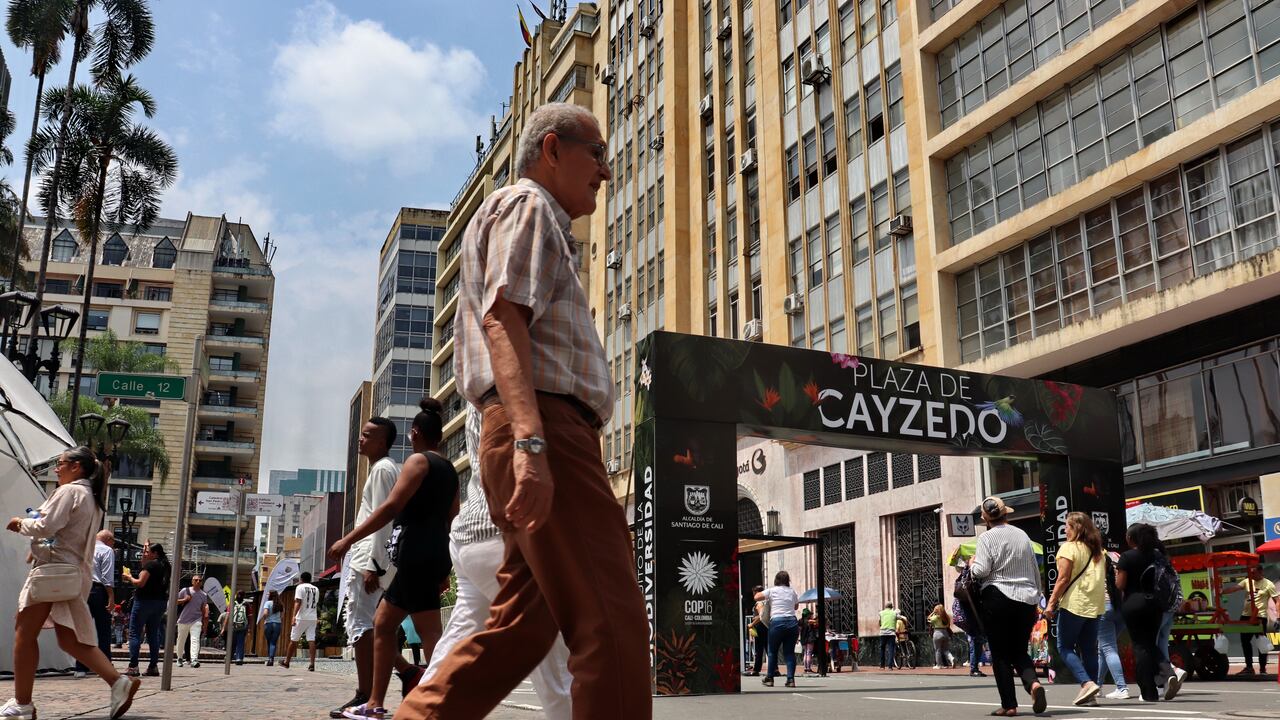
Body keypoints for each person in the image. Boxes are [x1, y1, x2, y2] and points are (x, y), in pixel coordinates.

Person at [398, 102, 649, 720]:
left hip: (532, 426)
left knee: (520, 630)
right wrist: (534, 443)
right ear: (552, 150)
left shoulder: (532, 215)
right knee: (611, 622)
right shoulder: (528, 204)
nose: (606, 171)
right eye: (596, 152)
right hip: (547, 427)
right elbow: (502, 317)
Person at [420, 404, 573, 720]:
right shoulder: (515, 371)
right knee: (557, 667)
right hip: (507, 531)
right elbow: (526, 439)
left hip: (473, 532)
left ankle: (418, 714)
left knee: (452, 651)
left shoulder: (481, 380)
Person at [328, 398, 459, 720]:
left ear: (415, 433)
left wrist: (348, 539)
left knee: (383, 626)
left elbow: (389, 507)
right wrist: (447, 565)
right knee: (430, 632)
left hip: (413, 553)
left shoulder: (418, 463)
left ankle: (374, 705)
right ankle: (436, 700)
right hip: (435, 553)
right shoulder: (450, 469)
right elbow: (452, 517)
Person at [3, 446, 141, 720]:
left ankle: (22, 703)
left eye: (61, 463)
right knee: (70, 638)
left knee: (24, 633)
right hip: (73, 573)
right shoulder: (90, 497)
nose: (56, 468)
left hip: (52, 572)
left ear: (76, 467)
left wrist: (19, 523)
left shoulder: (69, 492)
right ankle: (117, 681)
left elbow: (46, 525)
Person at [332, 417, 401, 717]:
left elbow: (385, 517)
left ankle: (366, 694)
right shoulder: (381, 469)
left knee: (361, 626)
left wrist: (374, 565)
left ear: (383, 442)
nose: (361, 439)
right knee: (369, 627)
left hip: (368, 561)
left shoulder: (384, 469)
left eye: (368, 435)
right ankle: (395, 678)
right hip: (368, 559)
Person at [970, 496, 1047, 717]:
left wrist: (972, 564)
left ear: (986, 518)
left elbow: (981, 571)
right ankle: (1033, 684)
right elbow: (1033, 568)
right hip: (1026, 599)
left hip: (998, 597)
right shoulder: (1022, 534)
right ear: (1006, 514)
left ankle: (1009, 705)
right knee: (1019, 650)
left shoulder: (986, 538)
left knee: (1001, 653)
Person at [1044, 512, 1106, 706]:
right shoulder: (1098, 551)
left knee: (1064, 647)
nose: (1065, 529)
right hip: (1095, 605)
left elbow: (1062, 578)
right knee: (1089, 649)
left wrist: (1051, 603)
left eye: (1067, 526)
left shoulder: (1068, 548)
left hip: (1074, 604)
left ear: (1076, 529)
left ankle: (1086, 683)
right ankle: (1092, 693)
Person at [1116, 523, 1183, 702]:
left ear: (1130, 539)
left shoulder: (1127, 557)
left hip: (1134, 604)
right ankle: (1167, 672)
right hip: (1156, 605)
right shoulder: (1157, 554)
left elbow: (1120, 585)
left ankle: (1149, 692)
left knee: (1141, 647)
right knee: (1150, 644)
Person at [122, 541, 169, 677]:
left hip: (144, 601)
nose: (145, 554)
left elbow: (140, 583)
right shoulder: (165, 565)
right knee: (153, 634)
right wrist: (145, 548)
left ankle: (133, 666)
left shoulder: (151, 565)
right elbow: (145, 565)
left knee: (135, 633)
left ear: (154, 553)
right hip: (160, 602)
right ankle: (153, 666)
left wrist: (129, 577)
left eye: (147, 552)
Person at [74, 529, 116, 679]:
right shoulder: (107, 550)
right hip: (99, 591)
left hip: (82, 590)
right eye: (113, 541)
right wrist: (111, 596)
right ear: (108, 539)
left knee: (83, 630)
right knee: (103, 630)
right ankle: (104, 666)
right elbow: (107, 576)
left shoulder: (84, 547)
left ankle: (80, 666)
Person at [1224, 565, 1277, 675]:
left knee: (1261, 642)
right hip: (1246, 615)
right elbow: (1234, 588)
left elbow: (1277, 600)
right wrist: (1222, 591)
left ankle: (1263, 668)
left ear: (1261, 572)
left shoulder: (1268, 584)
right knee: (1245, 641)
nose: (1251, 575)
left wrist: (1278, 616)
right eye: (1250, 573)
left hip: (1260, 616)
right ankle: (1249, 667)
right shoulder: (1247, 581)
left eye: (1254, 573)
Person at [755, 571, 800, 688]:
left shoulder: (772, 590)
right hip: (792, 623)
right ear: (787, 580)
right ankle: (790, 679)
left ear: (776, 580)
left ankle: (770, 678)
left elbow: (757, 597)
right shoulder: (792, 592)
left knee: (772, 651)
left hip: (777, 622)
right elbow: (796, 606)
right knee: (789, 652)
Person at [1097, 551, 1131, 699]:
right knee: (1103, 649)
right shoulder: (1116, 555)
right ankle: (1096, 686)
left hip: (1104, 605)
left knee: (1108, 648)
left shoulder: (1094, 557)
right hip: (1121, 606)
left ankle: (1121, 688)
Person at [281, 572, 320, 671]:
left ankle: (287, 662)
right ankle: (312, 664)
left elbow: (298, 602)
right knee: (311, 640)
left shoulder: (300, 587)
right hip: (312, 617)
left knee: (294, 639)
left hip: (301, 617)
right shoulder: (316, 589)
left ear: (301, 579)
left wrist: (293, 616)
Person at [174, 575, 209, 668]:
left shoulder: (204, 595)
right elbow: (174, 601)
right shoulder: (185, 590)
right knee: (181, 640)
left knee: (195, 639)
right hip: (183, 619)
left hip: (196, 620)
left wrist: (203, 622)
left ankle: (194, 659)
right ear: (192, 581)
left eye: (200, 580)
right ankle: (179, 658)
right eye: (196, 580)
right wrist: (184, 599)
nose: (198, 581)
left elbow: (203, 608)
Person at [745, 585, 769, 677]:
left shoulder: (759, 603)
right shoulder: (765, 602)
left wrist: (752, 624)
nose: (753, 595)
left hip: (760, 627)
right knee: (767, 648)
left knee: (759, 649)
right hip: (765, 627)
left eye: (754, 593)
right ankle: (774, 669)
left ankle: (756, 670)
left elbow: (761, 616)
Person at [222, 591, 249, 665]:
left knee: (231, 642)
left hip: (232, 626)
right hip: (243, 626)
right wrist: (248, 627)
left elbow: (227, 616)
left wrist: (224, 627)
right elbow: (249, 617)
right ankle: (239, 658)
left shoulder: (232, 604)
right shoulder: (246, 604)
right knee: (240, 642)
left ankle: (229, 657)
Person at [259, 590, 283, 666]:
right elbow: (282, 615)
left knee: (269, 642)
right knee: (273, 642)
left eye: (268, 594)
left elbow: (265, 613)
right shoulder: (280, 604)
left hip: (269, 624)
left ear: (271, 595)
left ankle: (270, 658)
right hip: (277, 624)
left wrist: (266, 618)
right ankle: (271, 658)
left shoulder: (268, 603)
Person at [928, 604, 955, 669]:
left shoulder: (936, 617)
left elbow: (928, 618)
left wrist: (933, 612)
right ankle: (951, 658)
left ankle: (939, 665)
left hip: (937, 632)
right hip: (945, 633)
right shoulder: (947, 617)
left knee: (938, 650)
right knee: (946, 649)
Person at [879, 603, 900, 669]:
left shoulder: (881, 613)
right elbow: (899, 618)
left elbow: (880, 622)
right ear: (892, 607)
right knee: (891, 649)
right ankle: (890, 666)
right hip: (891, 633)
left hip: (883, 633)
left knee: (882, 649)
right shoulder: (894, 613)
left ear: (885, 607)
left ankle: (882, 665)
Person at [800, 608, 816, 673]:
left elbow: (799, 630)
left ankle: (805, 668)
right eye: (810, 614)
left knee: (805, 653)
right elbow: (816, 622)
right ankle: (808, 668)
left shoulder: (800, 621)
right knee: (809, 653)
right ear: (807, 615)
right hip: (809, 639)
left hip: (803, 639)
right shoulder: (809, 621)